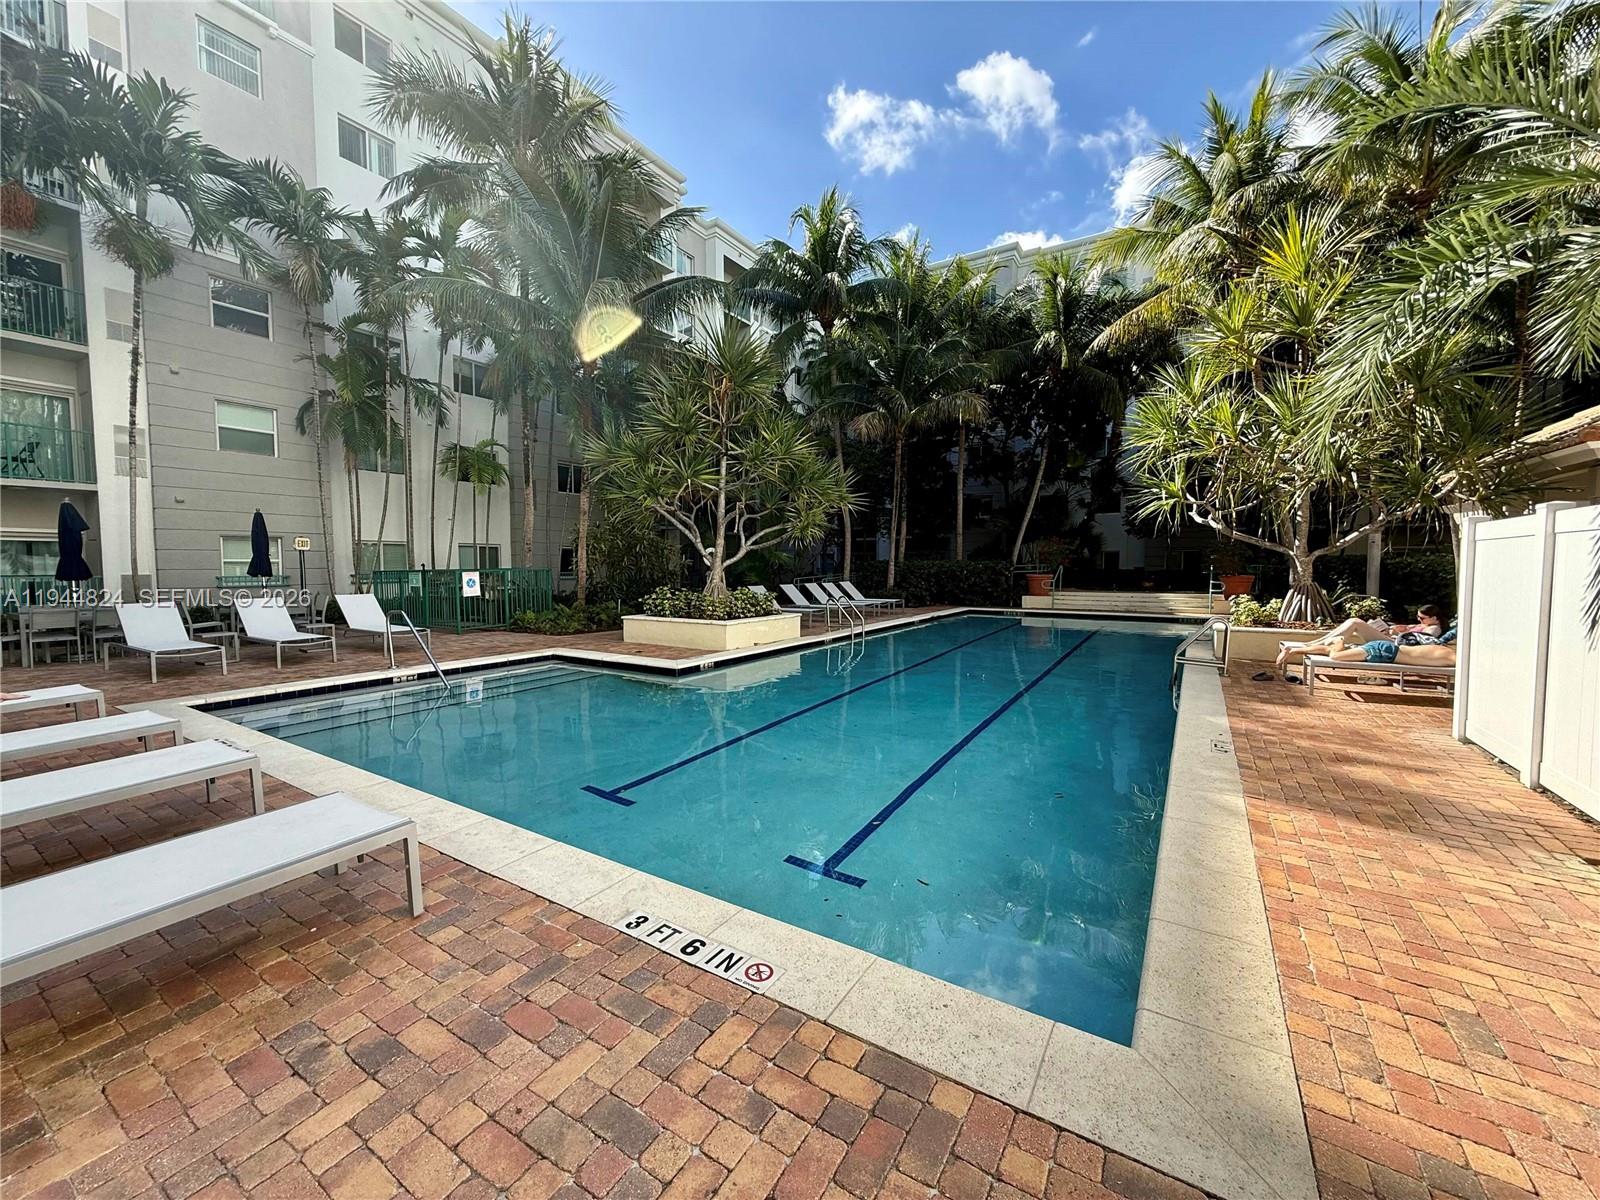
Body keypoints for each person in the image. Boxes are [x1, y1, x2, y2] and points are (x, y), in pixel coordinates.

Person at [1274, 604, 1443, 670]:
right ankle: (1308, 646)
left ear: (1435, 618)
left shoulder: (1434, 629)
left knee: (1355, 623)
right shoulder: (1426, 625)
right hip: (1390, 643)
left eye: (1422, 618)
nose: (1418, 620)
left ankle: (1307, 645)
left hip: (1396, 648)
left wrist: (1399, 633)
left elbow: (1420, 644)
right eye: (1418, 617)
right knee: (1351, 627)